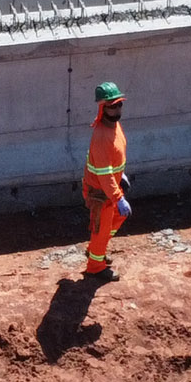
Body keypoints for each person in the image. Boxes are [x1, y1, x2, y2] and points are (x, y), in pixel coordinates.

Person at [81, 80, 130, 277]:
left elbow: (113, 159)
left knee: (115, 220)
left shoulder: (115, 126)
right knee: (102, 229)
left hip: (110, 189)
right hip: (101, 193)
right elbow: (104, 174)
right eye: (112, 106)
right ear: (103, 108)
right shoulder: (101, 136)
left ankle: (96, 250)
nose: (117, 109)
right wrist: (119, 198)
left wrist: (121, 174)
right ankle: (95, 266)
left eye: (119, 105)